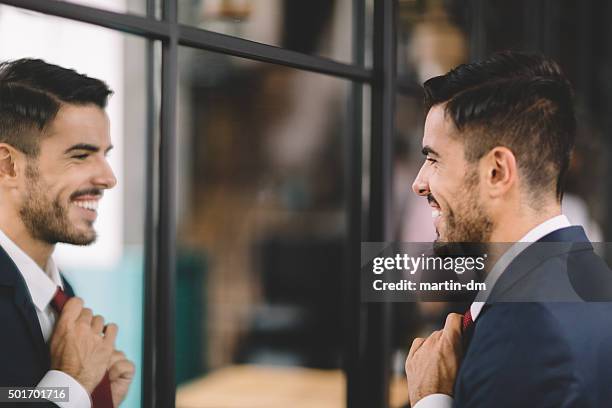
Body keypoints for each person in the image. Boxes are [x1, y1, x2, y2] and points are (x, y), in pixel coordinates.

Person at [404, 52, 612, 407]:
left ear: (497, 171)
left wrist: (430, 398)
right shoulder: (588, 276)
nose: (419, 184)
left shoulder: (528, 332)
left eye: (434, 159)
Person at [0, 59, 134, 407]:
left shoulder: (59, 293)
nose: (108, 178)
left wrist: (95, 399)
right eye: (81, 155)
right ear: (8, 165)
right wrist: (71, 383)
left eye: (104, 155)